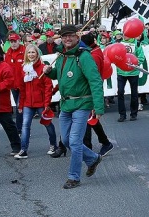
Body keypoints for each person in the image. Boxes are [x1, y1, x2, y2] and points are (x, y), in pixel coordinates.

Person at [42, 24, 105, 189]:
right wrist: (49, 72)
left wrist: (98, 107)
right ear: (61, 39)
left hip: (82, 104)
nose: (67, 39)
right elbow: (59, 74)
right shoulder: (62, 55)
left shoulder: (83, 56)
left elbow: (95, 81)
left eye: (70, 36)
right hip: (66, 104)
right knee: (66, 140)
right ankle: (92, 158)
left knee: (75, 141)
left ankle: (74, 177)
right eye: (64, 36)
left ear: (77, 37)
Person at [15, 43, 56, 159]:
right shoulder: (23, 69)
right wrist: (21, 104)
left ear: (37, 54)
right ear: (26, 55)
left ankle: (53, 145)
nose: (31, 54)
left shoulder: (43, 68)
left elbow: (48, 87)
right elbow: (22, 89)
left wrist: (47, 103)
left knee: (47, 124)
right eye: (29, 52)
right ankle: (23, 149)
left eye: (33, 52)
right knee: (25, 125)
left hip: (41, 103)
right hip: (28, 103)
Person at [80, 33, 114, 157]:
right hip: (90, 88)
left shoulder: (92, 55)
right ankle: (104, 142)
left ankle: (88, 146)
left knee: (88, 118)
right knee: (91, 118)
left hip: (90, 89)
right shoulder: (95, 50)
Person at [116, 32, 146, 122]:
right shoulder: (119, 44)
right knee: (120, 92)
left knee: (134, 94)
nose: (125, 35)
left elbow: (141, 57)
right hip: (121, 72)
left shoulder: (137, 44)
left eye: (127, 34)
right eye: (124, 34)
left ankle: (133, 113)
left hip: (133, 73)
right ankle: (122, 114)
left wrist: (133, 64)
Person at [5, 33, 26, 131]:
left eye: (15, 41)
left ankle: (20, 128)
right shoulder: (8, 52)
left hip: (24, 84)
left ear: (19, 41)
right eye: (11, 42)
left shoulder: (25, 51)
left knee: (20, 107)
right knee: (20, 107)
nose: (13, 44)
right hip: (13, 85)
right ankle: (21, 128)